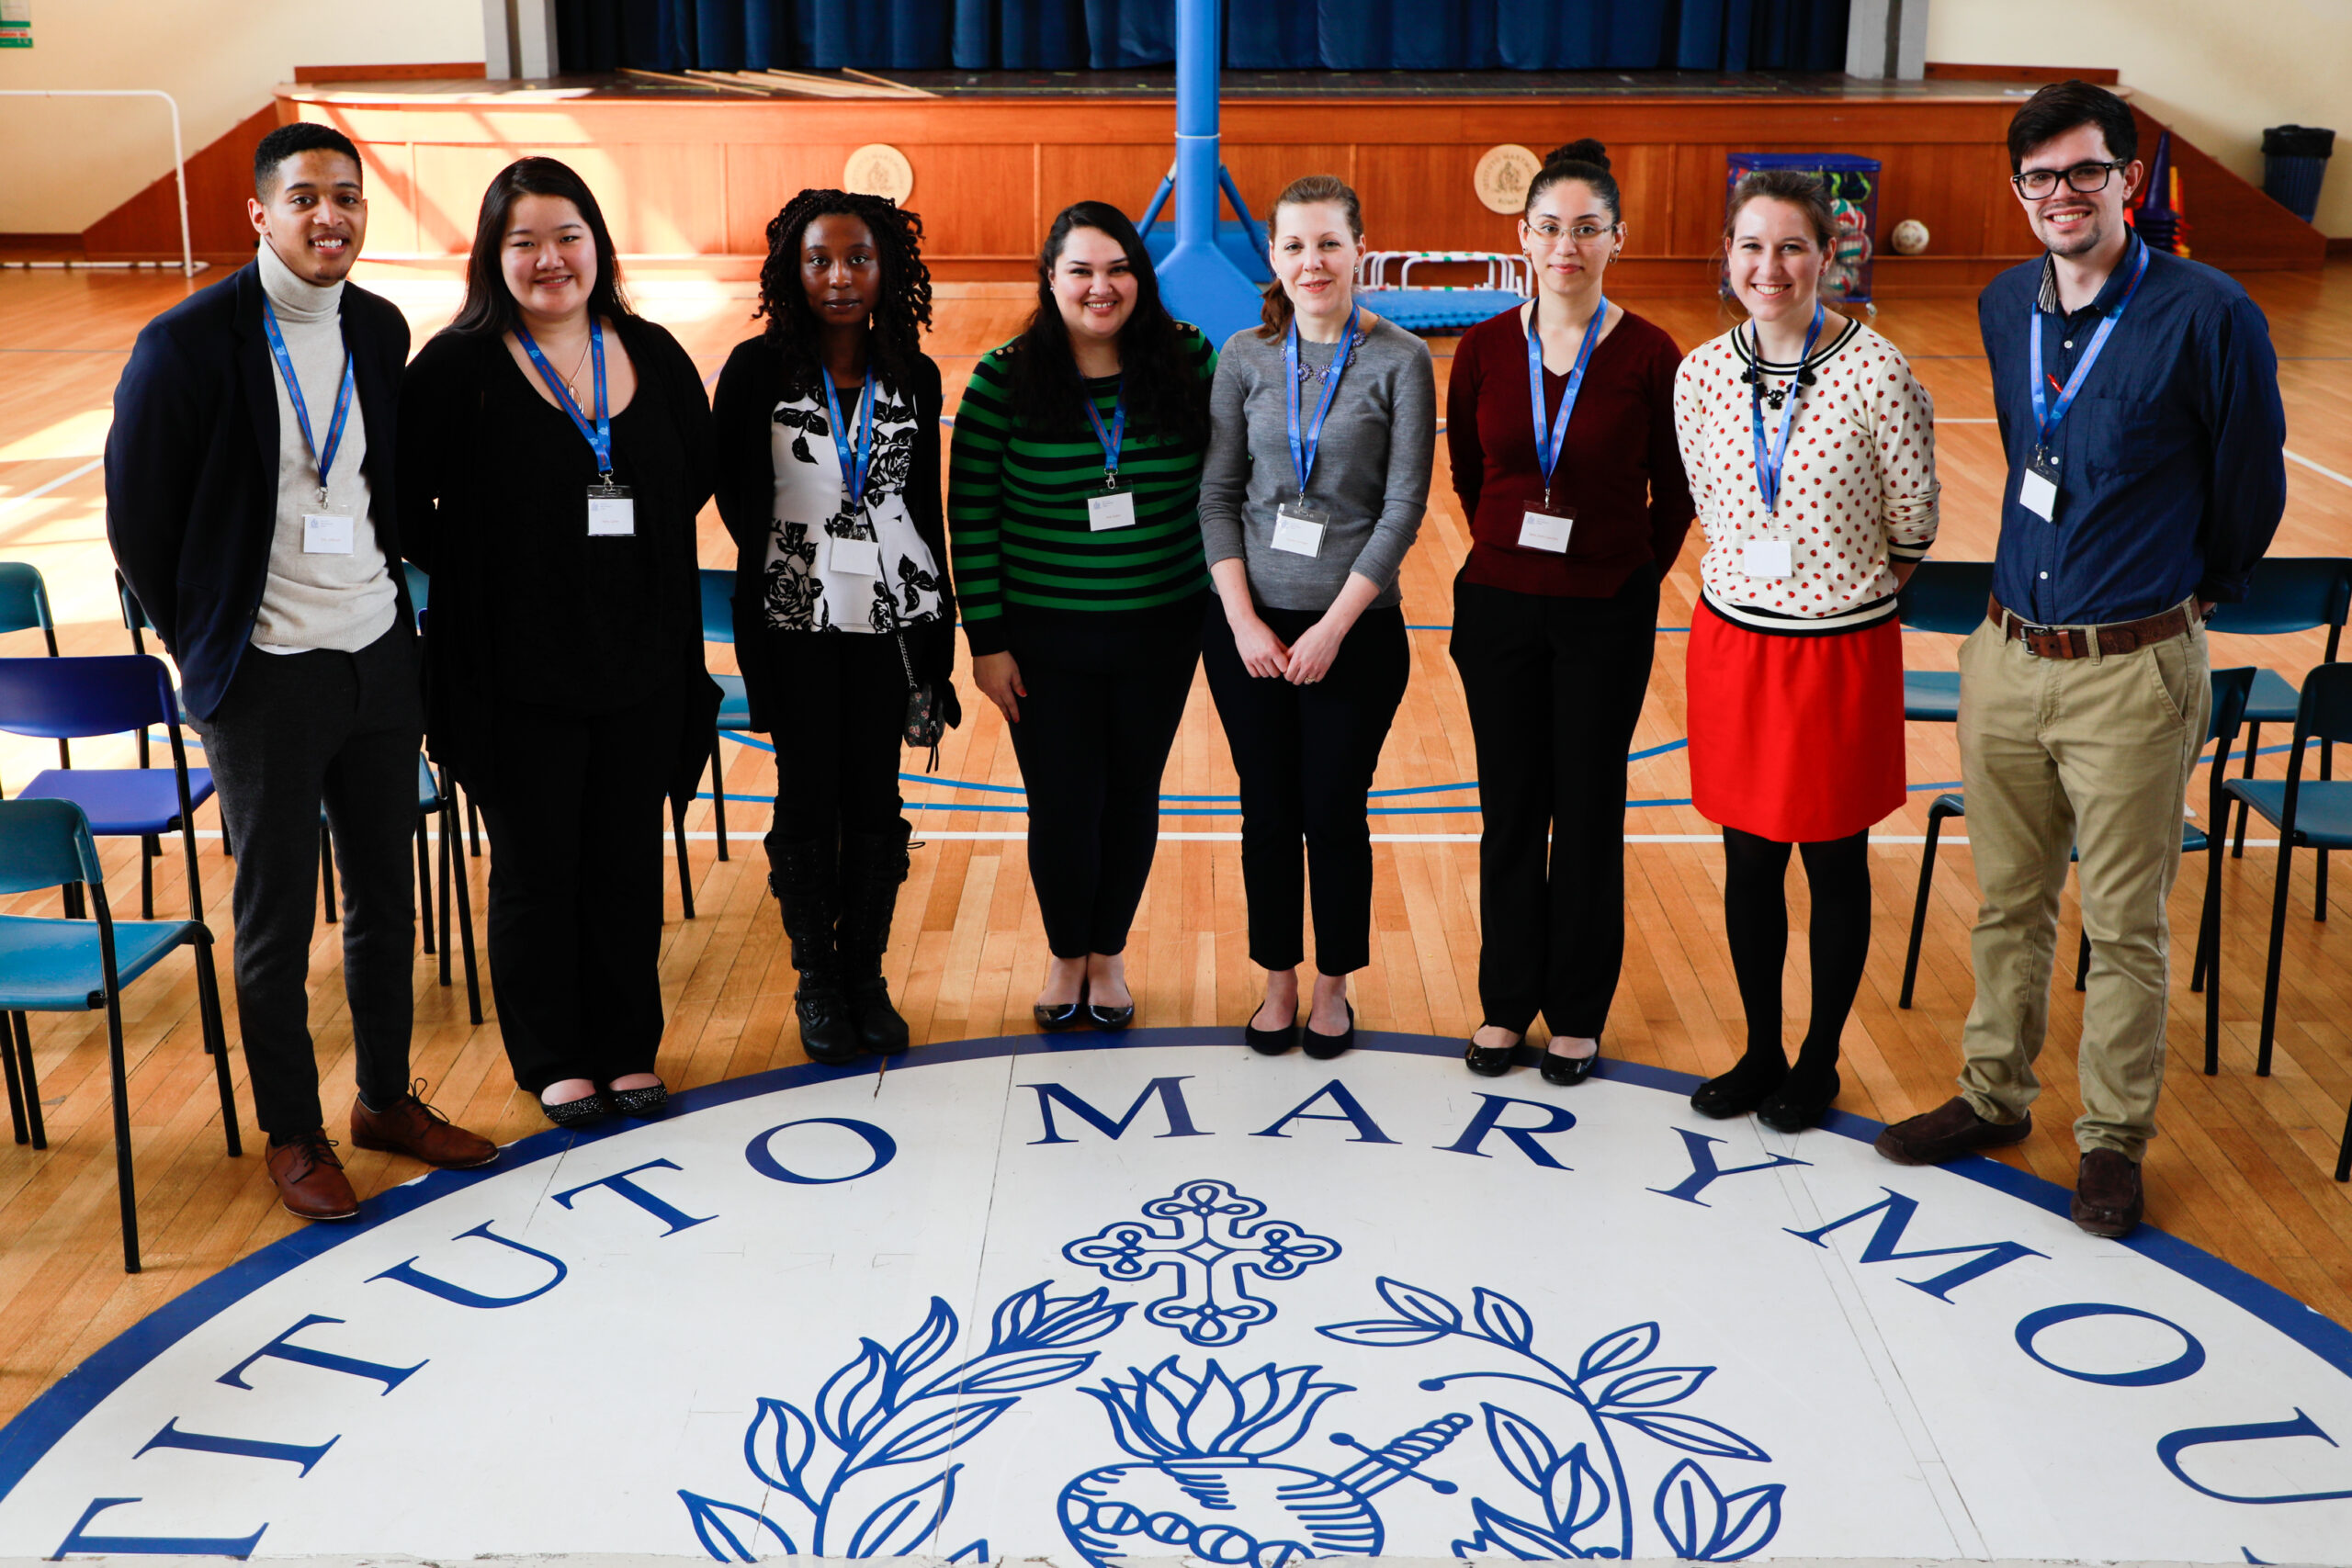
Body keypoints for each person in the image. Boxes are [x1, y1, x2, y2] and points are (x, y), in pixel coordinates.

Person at [1875, 81, 2287, 1237]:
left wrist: (2188, 593)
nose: (2062, 196)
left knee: (2124, 921)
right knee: (2006, 904)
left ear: (2127, 181)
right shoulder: (2005, 303)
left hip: (2132, 668)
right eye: (2040, 179)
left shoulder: (2210, 314)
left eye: (2084, 173)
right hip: (2007, 655)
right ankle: (1992, 1095)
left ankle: (2110, 1139)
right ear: (2017, 193)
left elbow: (2251, 488)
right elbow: (2027, 452)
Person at [105, 122, 496, 1220]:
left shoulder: (376, 327)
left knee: (387, 895)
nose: (332, 217)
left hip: (376, 650)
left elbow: (382, 482)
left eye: (349, 199)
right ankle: (294, 1131)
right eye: (308, 198)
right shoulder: (184, 346)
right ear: (260, 215)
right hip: (266, 674)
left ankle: (382, 1100)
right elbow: (137, 527)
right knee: (275, 916)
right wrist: (212, 646)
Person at [399, 157, 719, 1125]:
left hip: (640, 664)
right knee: (537, 871)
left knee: (625, 863)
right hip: (512, 675)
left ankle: (627, 1047)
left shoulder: (653, 353)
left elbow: (691, 476)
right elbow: (410, 511)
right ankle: (552, 1057)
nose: (550, 259)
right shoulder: (455, 370)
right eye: (524, 241)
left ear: (597, 245)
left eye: (567, 236)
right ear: (494, 258)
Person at [1672, 169, 1939, 1133]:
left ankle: (1818, 1058)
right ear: (1728, 257)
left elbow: (1914, 524)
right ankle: (1760, 1049)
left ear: (1828, 256)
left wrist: (1833, 599)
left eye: (1791, 247)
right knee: (1748, 863)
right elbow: (1710, 505)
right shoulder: (1700, 373)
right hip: (1735, 647)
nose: (1768, 266)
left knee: (1833, 864)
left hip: (1837, 655)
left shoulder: (1878, 371)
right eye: (1750, 246)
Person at [1446, 140, 1693, 1086]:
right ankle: (1506, 1005)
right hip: (1499, 610)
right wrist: (1512, 548)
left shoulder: (1646, 353)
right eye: (1550, 227)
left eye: (1586, 229)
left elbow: (1673, 490)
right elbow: (1472, 474)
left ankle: (1578, 1011)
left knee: (1589, 809)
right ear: (1523, 237)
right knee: (1511, 810)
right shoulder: (1480, 348)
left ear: (1615, 240)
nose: (1566, 246)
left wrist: (1630, 571)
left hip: (1605, 615)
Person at [949, 203, 1216, 1031]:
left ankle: (1111, 954)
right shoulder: (1004, 376)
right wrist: (986, 643)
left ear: (1141, 275)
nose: (1102, 288)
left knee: (1133, 795)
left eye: (1118, 269)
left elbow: (1233, 475)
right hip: (1044, 639)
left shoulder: (1190, 358)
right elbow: (972, 514)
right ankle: (1067, 953)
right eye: (1082, 271)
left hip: (1161, 628)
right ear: (1051, 280)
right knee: (1062, 801)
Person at [714, 189, 959, 1066]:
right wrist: (797, 566)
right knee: (807, 799)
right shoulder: (755, 370)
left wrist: (938, 644)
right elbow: (742, 500)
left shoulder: (915, 374)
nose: (841, 277)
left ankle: (865, 973)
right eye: (820, 259)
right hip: (795, 621)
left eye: (858, 258)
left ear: (887, 267)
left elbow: (921, 505)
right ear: (792, 269)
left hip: (894, 620)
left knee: (877, 803)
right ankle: (815, 976)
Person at [1197, 174, 1435, 1059]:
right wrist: (1245, 622)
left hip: (1357, 634)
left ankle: (1333, 984)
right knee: (1267, 810)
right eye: (1295, 245)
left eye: (1329, 243)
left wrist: (1332, 626)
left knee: (1334, 809)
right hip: (1249, 632)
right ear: (1273, 256)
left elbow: (1404, 507)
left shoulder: (1402, 359)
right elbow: (1217, 496)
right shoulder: (1243, 358)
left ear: (1360, 249)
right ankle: (1278, 982)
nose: (1313, 261)